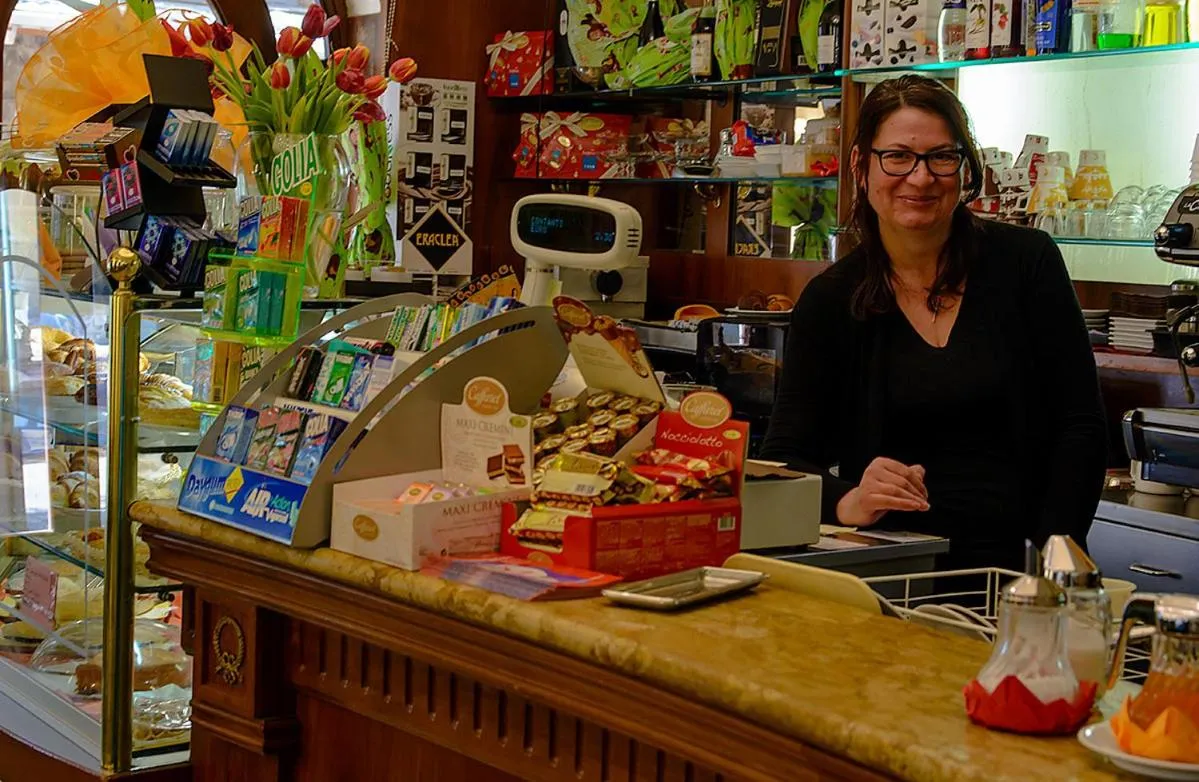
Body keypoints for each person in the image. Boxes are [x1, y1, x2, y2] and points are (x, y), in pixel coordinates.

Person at [760, 75, 1107, 571]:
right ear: (861, 165)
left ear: (965, 170)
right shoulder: (832, 298)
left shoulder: (1026, 262)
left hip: (1025, 571)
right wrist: (849, 499)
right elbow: (785, 458)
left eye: (941, 157)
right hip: (895, 572)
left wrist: (1052, 560)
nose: (920, 178)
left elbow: (1082, 425)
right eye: (898, 156)